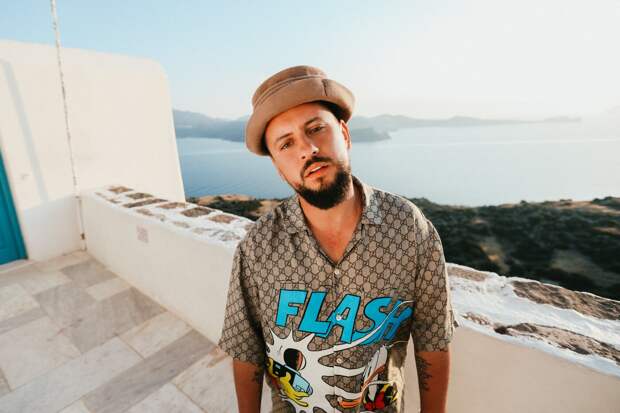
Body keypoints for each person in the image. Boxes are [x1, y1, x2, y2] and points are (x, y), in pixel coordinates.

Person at [217, 65, 459, 413]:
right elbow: (246, 350)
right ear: (278, 168)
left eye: (316, 129)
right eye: (286, 144)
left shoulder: (408, 228)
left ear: (344, 133)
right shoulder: (258, 247)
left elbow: (432, 338)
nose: (307, 149)